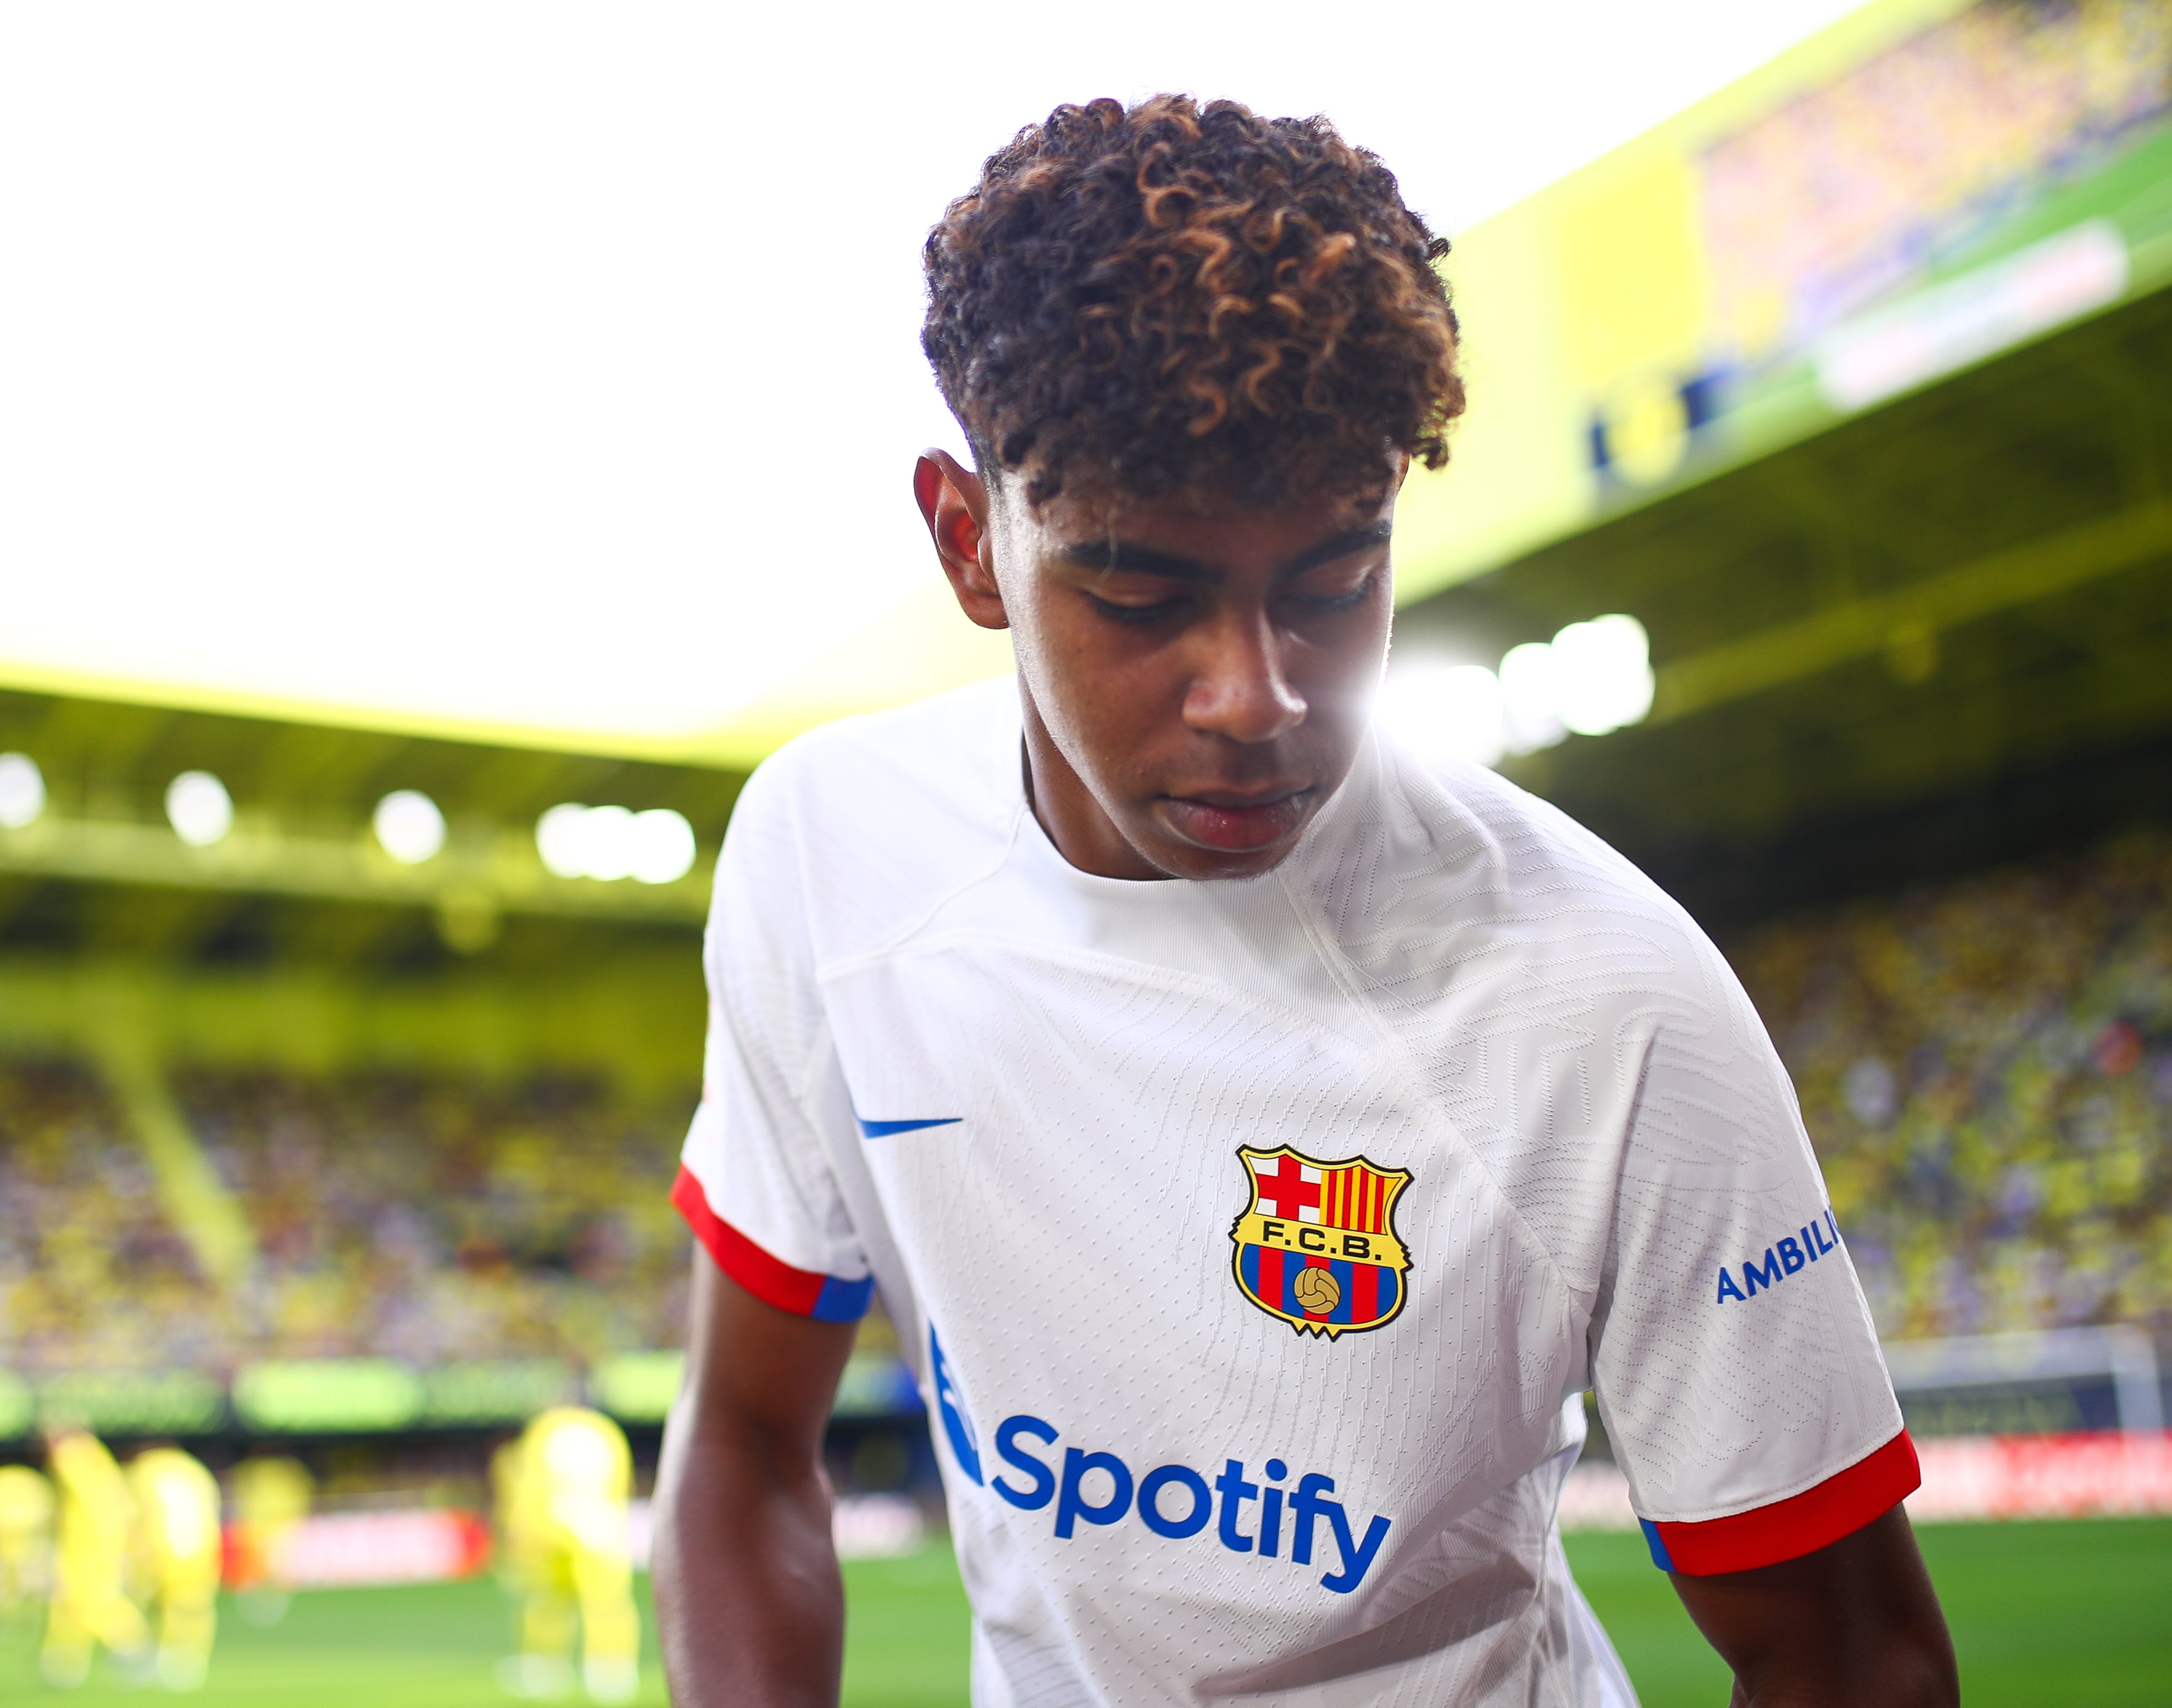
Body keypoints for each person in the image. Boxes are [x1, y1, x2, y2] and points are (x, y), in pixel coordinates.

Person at [652, 94, 1956, 1707]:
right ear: (968, 542)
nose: (1258, 695)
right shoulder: (826, 854)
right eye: (1143, 591)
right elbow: (741, 1443)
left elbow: (1857, 1656)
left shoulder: (1607, 995)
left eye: (1337, 580)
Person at [498, 1405, 642, 1704]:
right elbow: (623, 1481)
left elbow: (530, 1487)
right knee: (606, 1603)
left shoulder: (543, 1433)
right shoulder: (607, 1432)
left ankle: (546, 1667)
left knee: (549, 1601)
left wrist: (523, 1531)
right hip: (603, 1528)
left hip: (555, 1529)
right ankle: (611, 1671)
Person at [40, 1428, 150, 1689]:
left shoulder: (78, 1459)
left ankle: (133, 1647)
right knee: (74, 1602)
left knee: (92, 1600)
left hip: (90, 1546)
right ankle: (67, 1658)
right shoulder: (98, 1463)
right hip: (93, 1543)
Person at [125, 1444, 221, 1691]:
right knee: (195, 1605)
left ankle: (160, 1657)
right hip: (199, 1546)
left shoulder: (145, 1470)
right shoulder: (193, 1469)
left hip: (162, 1549)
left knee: (156, 1604)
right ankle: (190, 1658)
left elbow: (135, 1513)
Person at [226, 1454, 313, 1624]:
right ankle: (254, 1599)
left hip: (278, 1525)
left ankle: (273, 1602)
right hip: (258, 1525)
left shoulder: (285, 1470)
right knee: (257, 1567)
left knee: (276, 1568)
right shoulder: (263, 1469)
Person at [0, 1461, 55, 1635]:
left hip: (14, 1535)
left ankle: (16, 1617)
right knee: (13, 1579)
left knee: (17, 1579)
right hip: (19, 1535)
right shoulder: (27, 1480)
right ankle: (16, 1617)